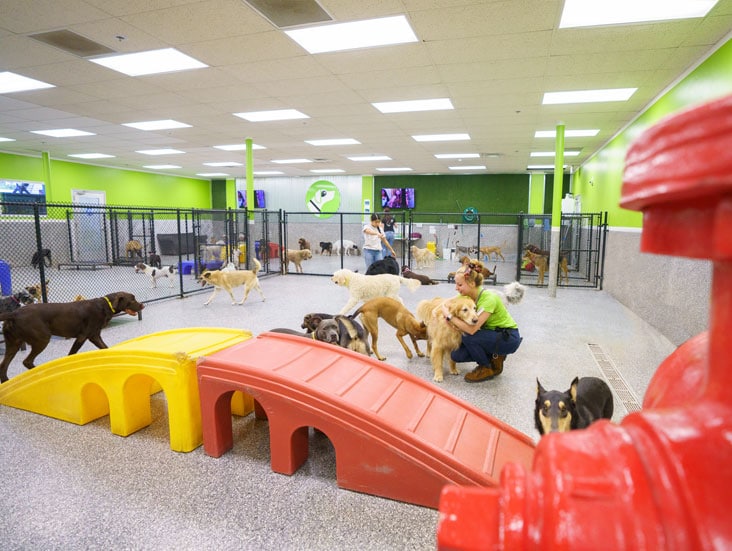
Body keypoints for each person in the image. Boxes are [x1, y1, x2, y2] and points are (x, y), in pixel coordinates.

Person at [443, 260, 522, 382]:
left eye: (459, 285)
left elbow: (471, 329)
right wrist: (443, 311)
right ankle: (495, 357)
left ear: (471, 284)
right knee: (456, 355)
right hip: (490, 335)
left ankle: (485, 367)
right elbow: (447, 303)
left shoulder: (488, 298)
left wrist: (450, 317)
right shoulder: (467, 296)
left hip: (508, 337)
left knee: (468, 336)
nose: (456, 288)